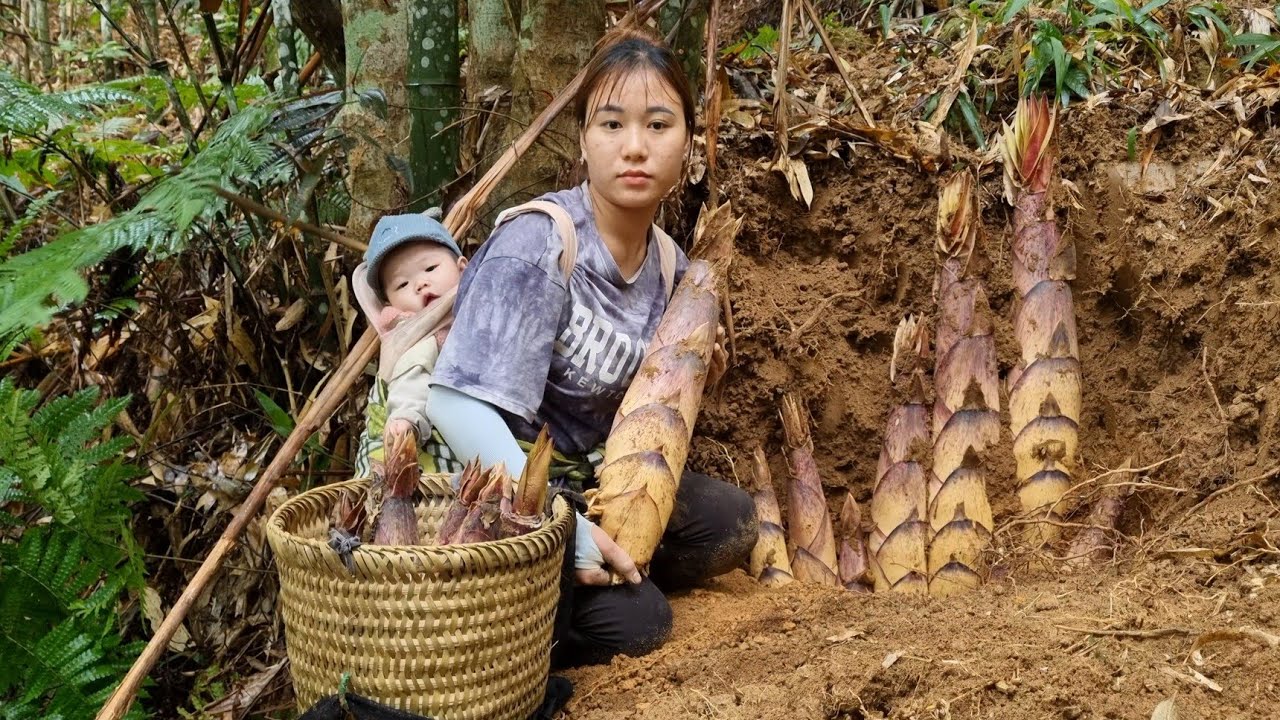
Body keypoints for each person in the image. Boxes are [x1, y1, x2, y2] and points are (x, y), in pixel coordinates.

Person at [426, 27, 758, 667]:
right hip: (492, 486)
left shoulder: (668, 266)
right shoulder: (540, 246)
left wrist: (692, 374)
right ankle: (526, 610)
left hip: (588, 478)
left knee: (730, 521)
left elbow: (640, 402)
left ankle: (589, 574)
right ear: (584, 140)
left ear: (688, 140)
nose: (635, 148)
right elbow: (452, 407)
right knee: (642, 624)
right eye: (612, 125)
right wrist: (563, 526)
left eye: (658, 125)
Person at [351, 212, 469, 478]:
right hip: (434, 466)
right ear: (390, 305)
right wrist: (405, 421)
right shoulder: (414, 336)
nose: (420, 283)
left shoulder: (479, 311)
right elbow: (410, 380)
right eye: (402, 284)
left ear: (463, 268)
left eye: (430, 269)